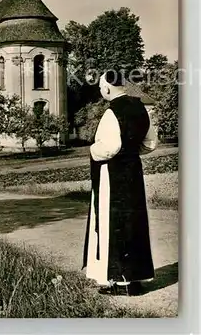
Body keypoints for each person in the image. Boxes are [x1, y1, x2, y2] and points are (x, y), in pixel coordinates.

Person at [82, 70, 158, 296]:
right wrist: (131, 153)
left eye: (100, 88)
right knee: (133, 220)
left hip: (112, 174)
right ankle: (134, 280)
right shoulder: (140, 107)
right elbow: (151, 143)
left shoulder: (111, 112)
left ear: (106, 88)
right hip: (133, 172)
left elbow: (110, 148)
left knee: (110, 221)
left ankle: (120, 281)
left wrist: (93, 149)